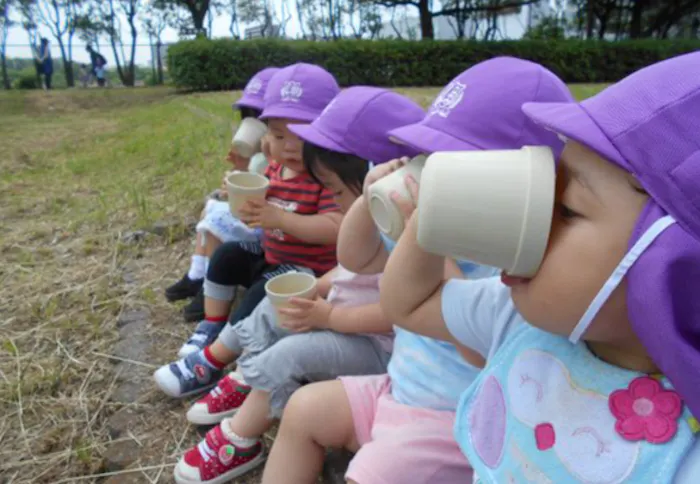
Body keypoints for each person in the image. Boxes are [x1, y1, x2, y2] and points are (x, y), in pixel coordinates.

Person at [378, 52, 700, 482]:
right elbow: (409, 303)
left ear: (672, 272)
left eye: (565, 208)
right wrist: (431, 208)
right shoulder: (514, 318)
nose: (532, 220)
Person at [260, 57, 575, 484]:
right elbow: (357, 257)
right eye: (428, 155)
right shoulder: (425, 233)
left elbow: (478, 349)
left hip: (453, 417)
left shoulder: (514, 264)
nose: (433, 169)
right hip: (397, 390)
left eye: (451, 160)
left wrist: (437, 238)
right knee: (304, 410)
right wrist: (369, 201)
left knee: (373, 474)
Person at [167, 86, 426, 484]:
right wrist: (317, 290)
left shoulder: (411, 235)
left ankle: (242, 437)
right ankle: (245, 376)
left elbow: (397, 312)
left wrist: (331, 316)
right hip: (346, 320)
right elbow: (349, 269)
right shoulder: (376, 224)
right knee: (273, 307)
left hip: (380, 348)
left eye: (337, 191)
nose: (335, 200)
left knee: (293, 353)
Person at [153, 63, 342, 394]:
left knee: (260, 296)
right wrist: (242, 200)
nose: (290, 147)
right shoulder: (273, 168)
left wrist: (280, 219)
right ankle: (212, 325)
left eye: (302, 136)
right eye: (280, 135)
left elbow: (334, 228)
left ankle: (228, 360)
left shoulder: (325, 178)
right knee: (227, 255)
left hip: (306, 269)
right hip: (270, 253)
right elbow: (256, 217)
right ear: (266, 134)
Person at [165, 67, 280, 322]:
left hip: (268, 225)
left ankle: (208, 285)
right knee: (213, 203)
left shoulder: (283, 152)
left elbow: (274, 190)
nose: (253, 125)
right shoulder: (261, 153)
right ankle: (196, 274)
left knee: (218, 213)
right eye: (248, 117)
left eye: (259, 119)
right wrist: (238, 170)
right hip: (256, 217)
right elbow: (252, 182)